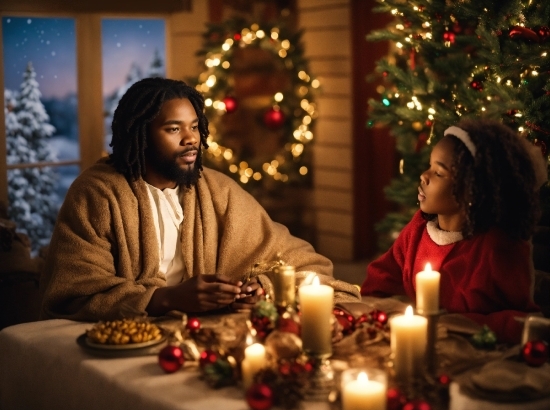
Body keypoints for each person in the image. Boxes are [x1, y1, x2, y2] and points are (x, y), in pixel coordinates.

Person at [39, 77, 360, 321]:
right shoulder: (98, 195)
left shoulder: (216, 190)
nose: (191, 138)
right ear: (140, 134)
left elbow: (305, 263)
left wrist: (261, 287)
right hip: (120, 345)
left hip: (204, 334)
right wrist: (166, 299)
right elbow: (75, 291)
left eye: (194, 127)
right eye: (174, 129)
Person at [361, 118, 546, 344]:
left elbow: (521, 321)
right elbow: (378, 284)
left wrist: (457, 325)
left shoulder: (499, 247)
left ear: (472, 190)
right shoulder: (418, 228)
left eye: (439, 173)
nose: (424, 176)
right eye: (429, 166)